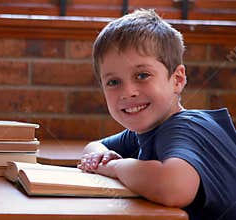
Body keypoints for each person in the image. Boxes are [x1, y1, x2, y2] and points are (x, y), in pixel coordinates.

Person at [77, 9, 236, 220]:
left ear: (177, 79)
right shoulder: (147, 129)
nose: (128, 92)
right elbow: (95, 146)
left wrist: (114, 167)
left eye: (142, 75)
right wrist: (100, 156)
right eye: (113, 82)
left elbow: (174, 187)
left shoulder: (184, 128)